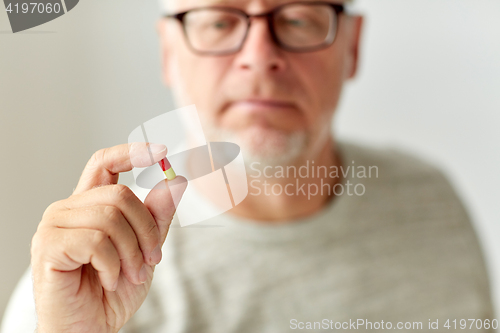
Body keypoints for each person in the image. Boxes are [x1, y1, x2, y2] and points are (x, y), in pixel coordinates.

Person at [1, 0, 495, 332]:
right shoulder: (80, 285)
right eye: (220, 21)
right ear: (169, 53)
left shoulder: (432, 202)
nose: (259, 58)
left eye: (298, 18)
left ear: (353, 46)